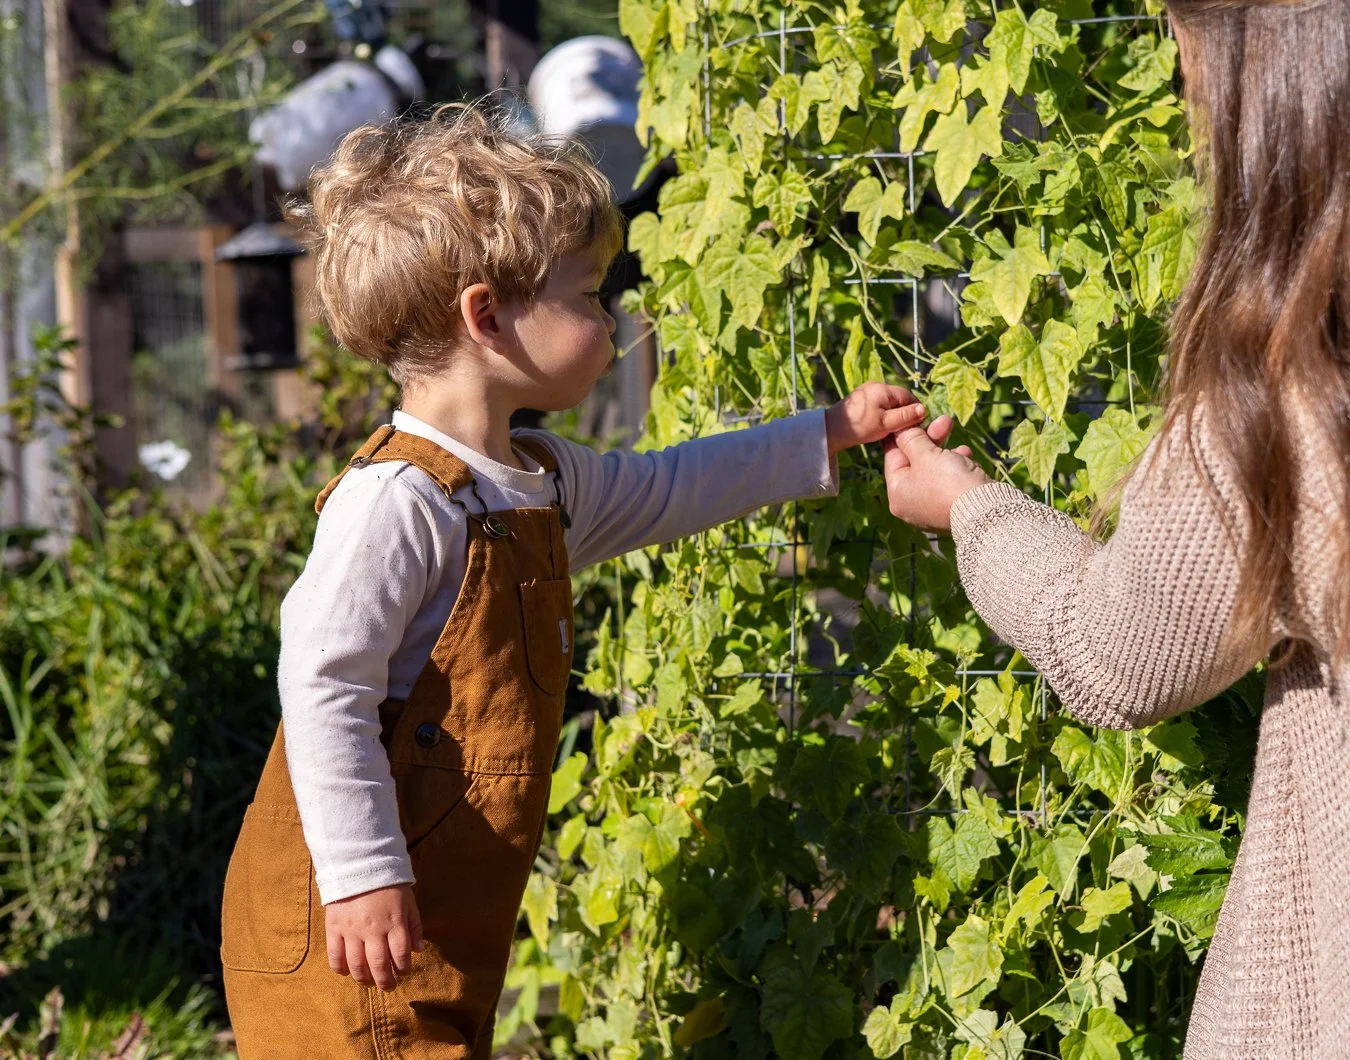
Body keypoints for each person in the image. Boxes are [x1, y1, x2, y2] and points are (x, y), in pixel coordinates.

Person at [219, 104, 948, 1058]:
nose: (610, 318)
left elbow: (674, 485)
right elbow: (322, 682)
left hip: (438, 918)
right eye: (588, 295)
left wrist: (829, 432)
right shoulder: (398, 500)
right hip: (344, 929)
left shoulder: (538, 480)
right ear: (487, 318)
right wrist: (358, 874)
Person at [883, 3, 1349, 1057]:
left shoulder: (1292, 388)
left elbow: (1117, 657)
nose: (1185, 87)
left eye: (1187, 47)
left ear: (1270, 84)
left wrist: (970, 505)